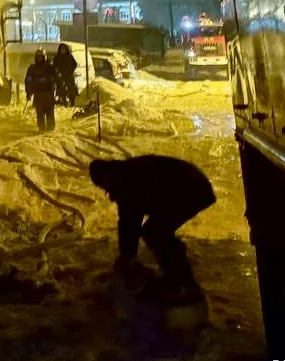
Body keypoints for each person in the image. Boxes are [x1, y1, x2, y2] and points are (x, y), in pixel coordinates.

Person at [88, 155, 216, 304]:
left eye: (102, 185)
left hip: (190, 189)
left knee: (156, 233)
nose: (105, 190)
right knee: (155, 232)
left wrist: (127, 258)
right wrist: (128, 256)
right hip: (186, 187)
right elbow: (129, 223)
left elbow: (129, 222)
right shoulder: (123, 176)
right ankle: (176, 277)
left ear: (107, 176)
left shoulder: (128, 182)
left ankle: (183, 284)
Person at [24, 48, 58, 132]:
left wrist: (56, 87)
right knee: (40, 113)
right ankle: (41, 128)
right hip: (38, 94)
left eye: (41, 57)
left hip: (48, 93)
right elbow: (28, 80)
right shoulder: (32, 68)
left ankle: (50, 129)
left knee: (49, 112)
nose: (39, 59)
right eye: (38, 57)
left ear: (44, 57)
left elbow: (56, 78)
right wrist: (29, 92)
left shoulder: (49, 67)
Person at [52, 43, 78, 107]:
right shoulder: (57, 57)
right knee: (61, 90)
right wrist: (57, 73)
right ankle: (63, 102)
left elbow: (75, 64)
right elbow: (54, 66)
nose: (63, 50)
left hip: (69, 76)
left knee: (71, 90)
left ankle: (72, 102)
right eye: (61, 49)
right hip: (60, 77)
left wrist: (70, 71)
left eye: (64, 49)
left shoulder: (69, 56)